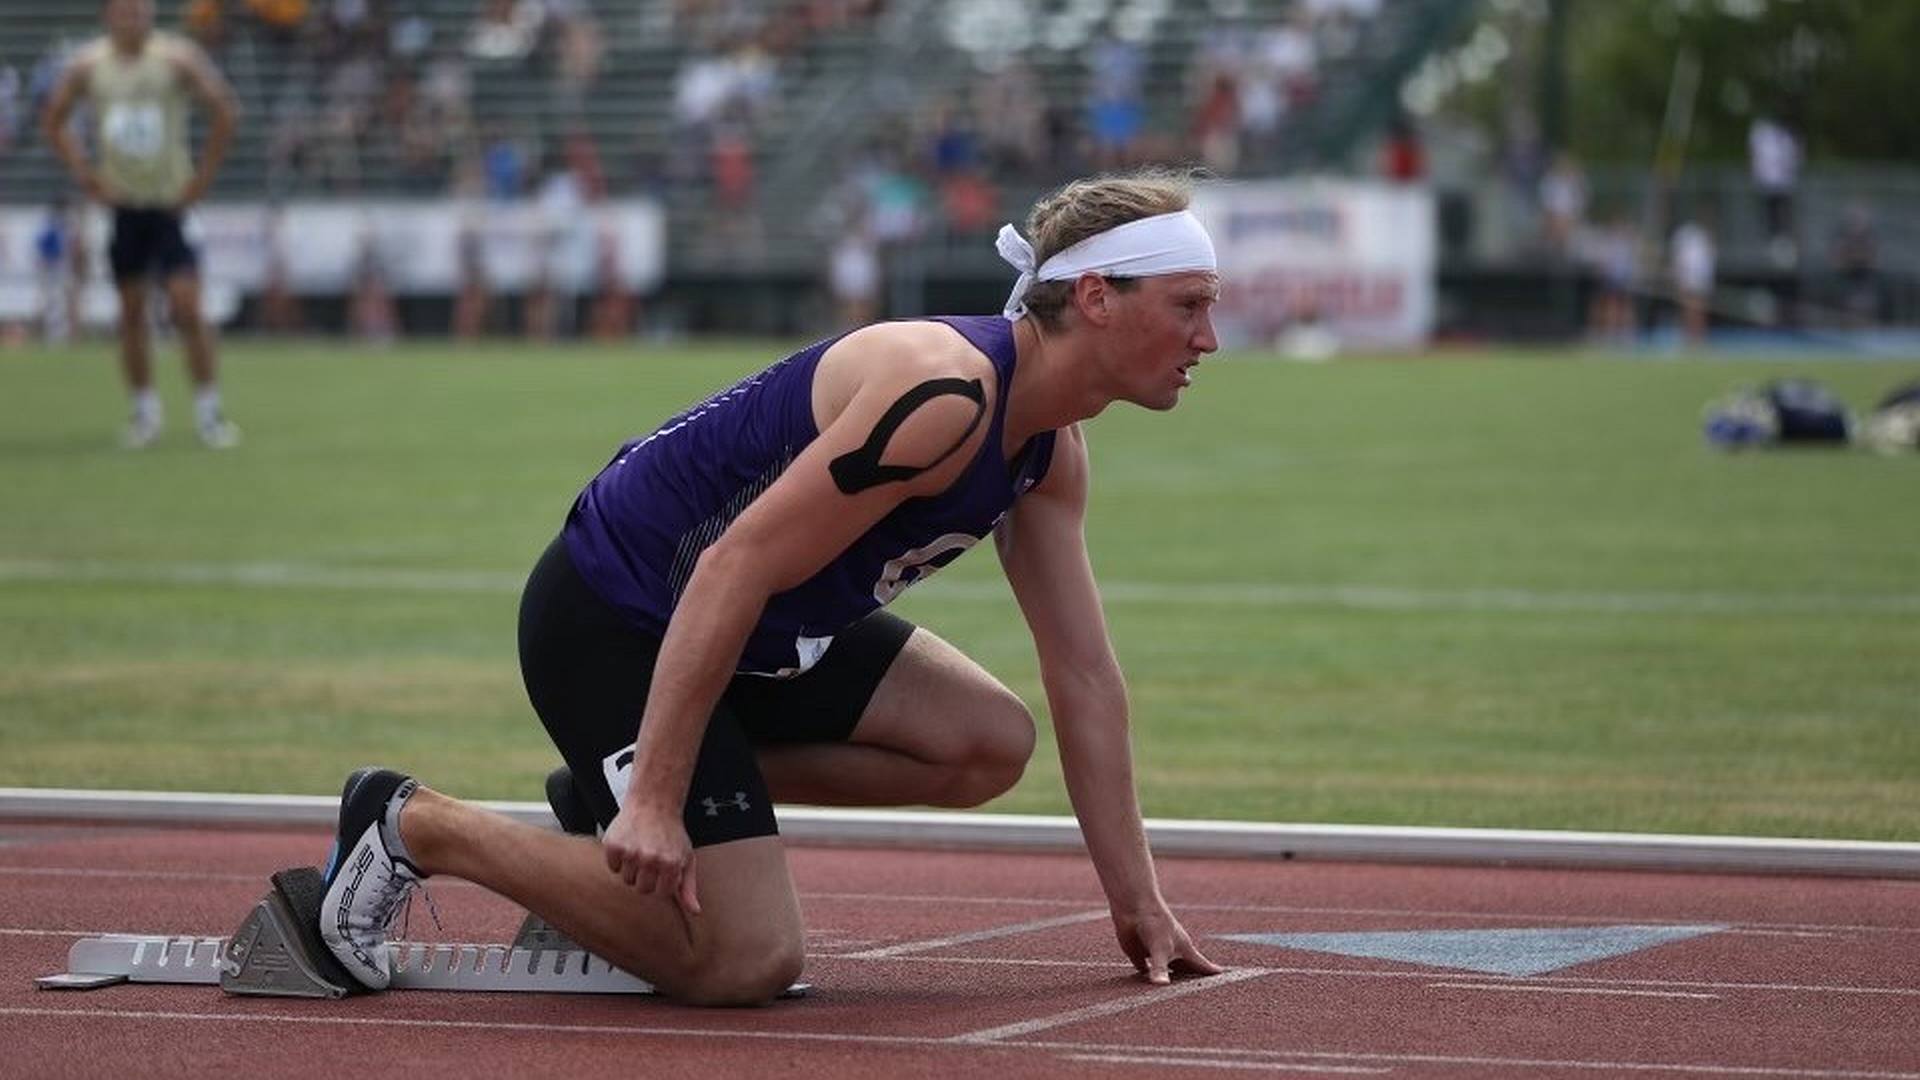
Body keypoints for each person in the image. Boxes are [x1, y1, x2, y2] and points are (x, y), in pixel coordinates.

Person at [316, 170, 1227, 1006]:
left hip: (764, 639)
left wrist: (1139, 899)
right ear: (1098, 297)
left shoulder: (1051, 449)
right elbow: (732, 566)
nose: (1209, 339)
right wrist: (661, 797)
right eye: (1189, 305)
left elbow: (1084, 676)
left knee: (988, 742)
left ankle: (603, 793)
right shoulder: (944, 396)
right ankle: (414, 822)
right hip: (618, 615)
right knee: (746, 961)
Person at [42, 0, 240, 449]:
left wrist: (202, 177)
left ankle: (209, 413)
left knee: (186, 306)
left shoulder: (176, 58)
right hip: (123, 206)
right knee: (131, 311)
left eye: (142, 9)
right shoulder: (89, 65)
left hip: (171, 204)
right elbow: (53, 120)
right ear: (108, 15)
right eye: (126, 10)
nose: (136, 18)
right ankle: (144, 411)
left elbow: (225, 111)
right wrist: (86, 175)